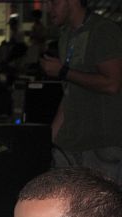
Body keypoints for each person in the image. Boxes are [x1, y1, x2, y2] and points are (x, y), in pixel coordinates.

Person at [39, 0, 122, 184]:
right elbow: (69, 93)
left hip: (101, 145)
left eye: (54, 3)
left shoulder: (103, 31)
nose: (48, 9)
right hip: (71, 143)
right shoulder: (66, 35)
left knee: (99, 210)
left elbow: (112, 84)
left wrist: (63, 71)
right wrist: (50, 138)